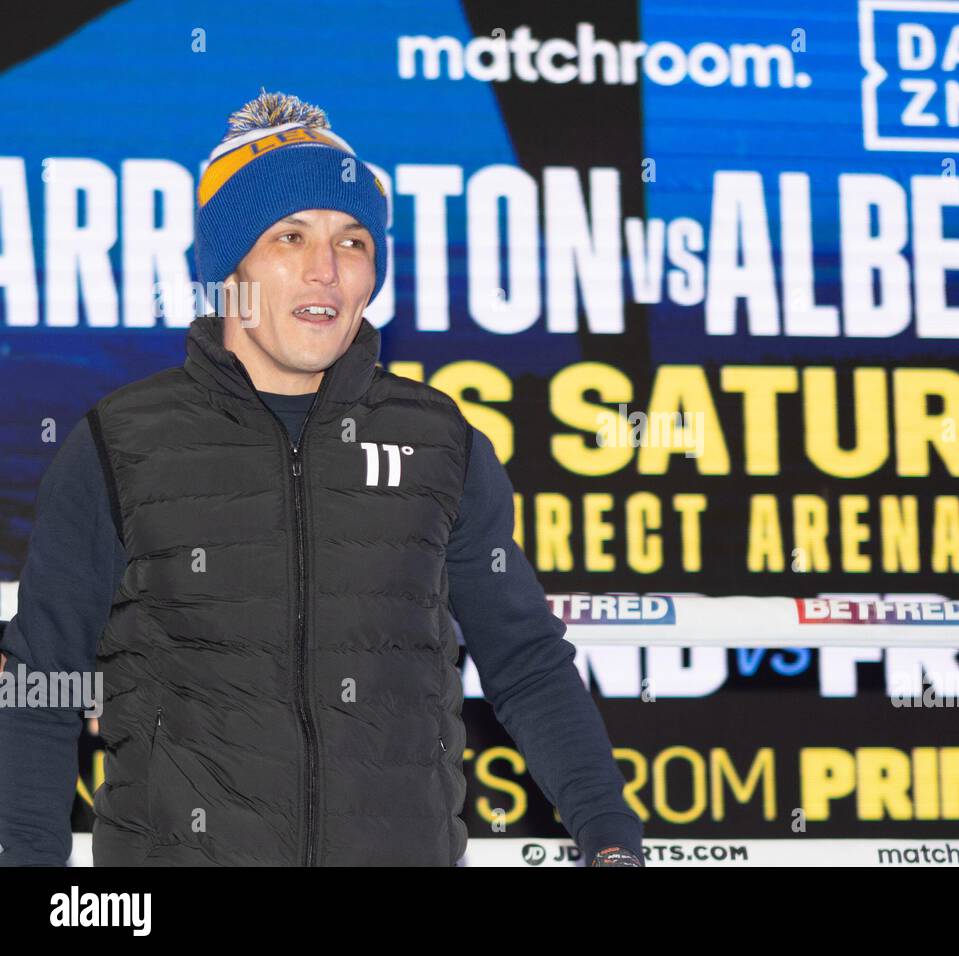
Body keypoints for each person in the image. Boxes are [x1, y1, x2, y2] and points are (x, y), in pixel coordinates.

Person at [0, 91, 643, 866]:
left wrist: (611, 841)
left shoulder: (441, 442)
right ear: (229, 266)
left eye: (353, 242)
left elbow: (526, 662)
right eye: (289, 237)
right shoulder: (118, 442)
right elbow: (41, 686)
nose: (325, 271)